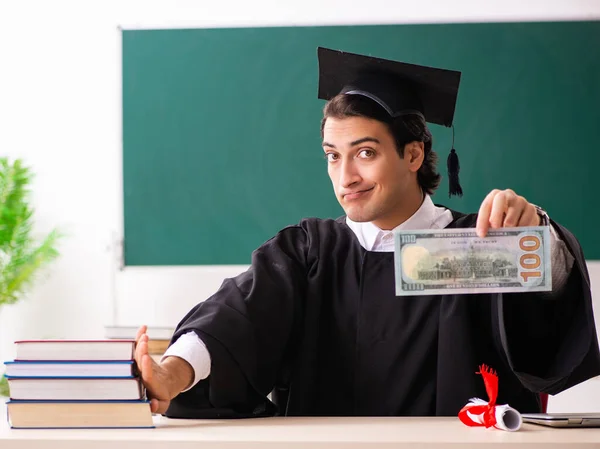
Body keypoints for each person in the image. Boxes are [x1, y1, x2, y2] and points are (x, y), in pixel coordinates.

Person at [134, 47, 600, 418]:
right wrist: (171, 374)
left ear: (413, 155)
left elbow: (550, 301)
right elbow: (237, 318)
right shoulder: (309, 252)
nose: (345, 177)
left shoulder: (476, 244)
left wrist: (535, 233)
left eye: (365, 153)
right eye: (332, 155)